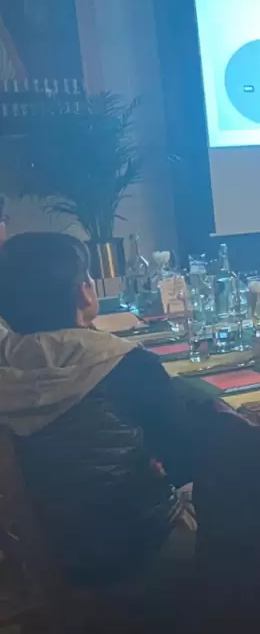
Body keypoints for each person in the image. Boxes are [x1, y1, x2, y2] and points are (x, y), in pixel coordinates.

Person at [0, 232, 195, 599]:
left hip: (45, 556)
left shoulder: (8, 365)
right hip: (143, 548)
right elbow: (187, 462)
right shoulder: (125, 363)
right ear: (83, 293)